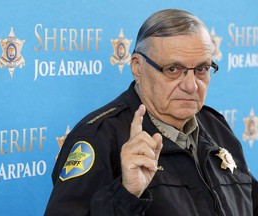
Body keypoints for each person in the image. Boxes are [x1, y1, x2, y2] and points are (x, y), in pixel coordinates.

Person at [44, 9, 258, 216]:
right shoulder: (98, 138)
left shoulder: (215, 126)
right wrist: (127, 195)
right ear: (137, 67)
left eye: (201, 69)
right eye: (173, 69)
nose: (192, 86)